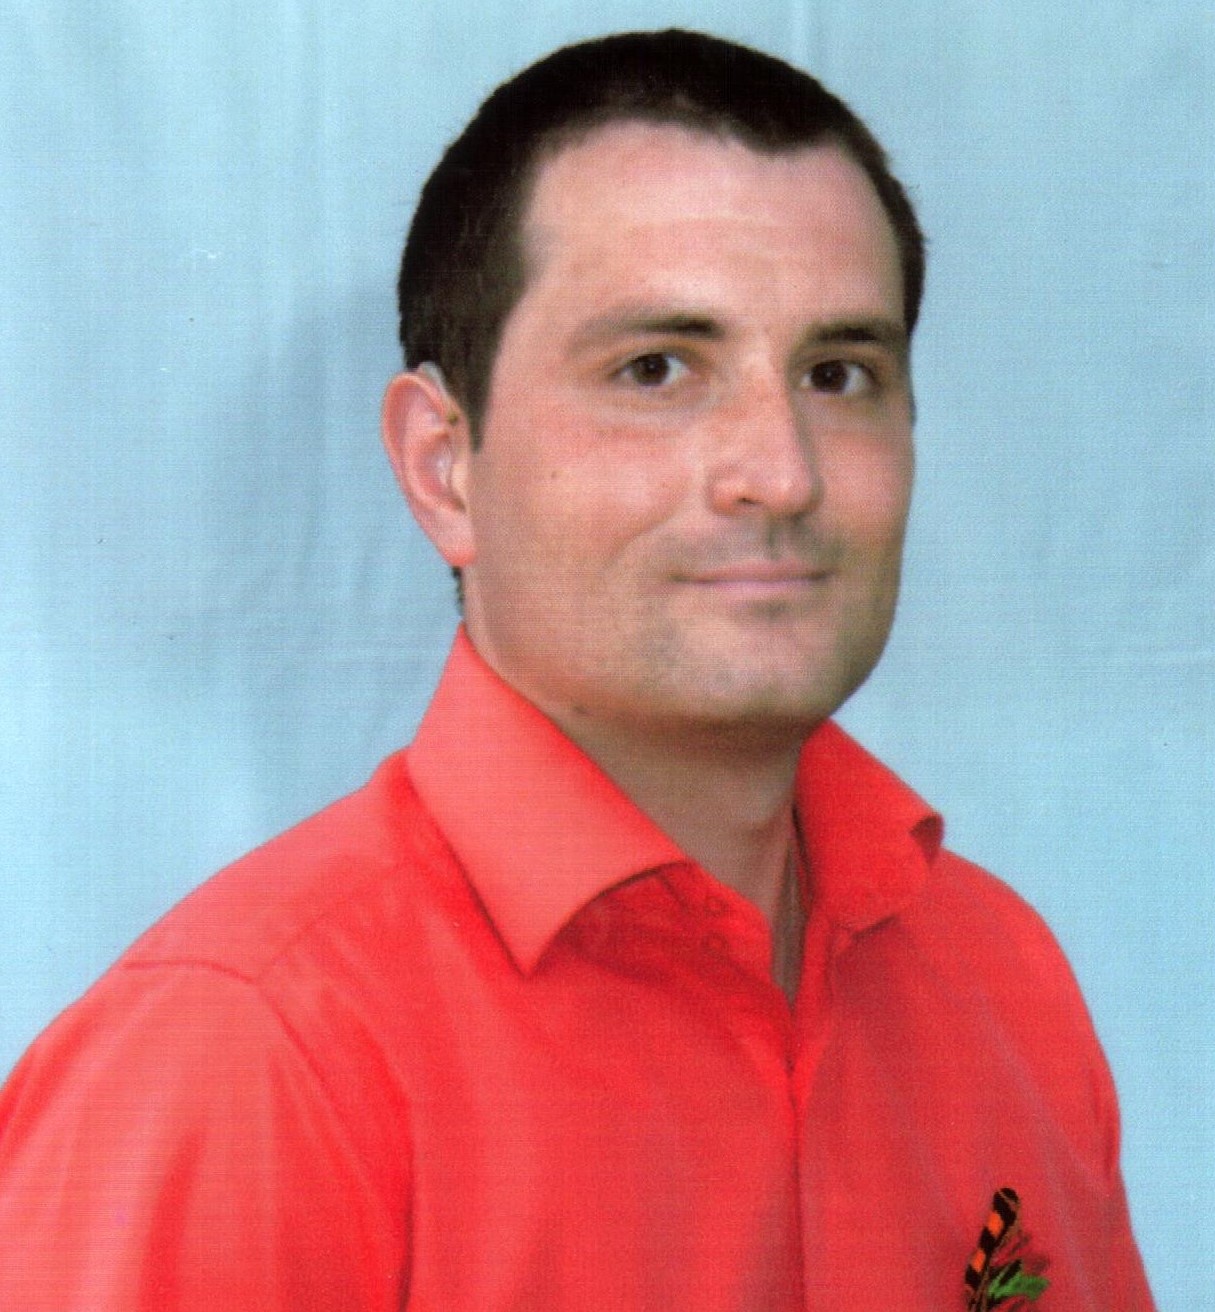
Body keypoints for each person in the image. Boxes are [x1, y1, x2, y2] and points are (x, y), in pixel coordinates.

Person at [0, 29, 1153, 1311]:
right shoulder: (249, 1054)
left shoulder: (999, 979)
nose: (780, 472)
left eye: (837, 374)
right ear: (444, 467)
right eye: (655, 370)